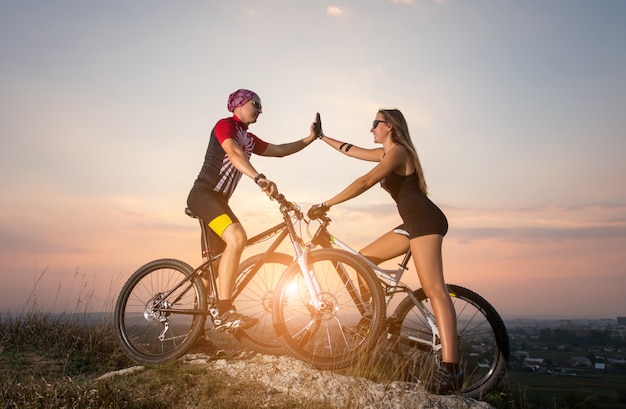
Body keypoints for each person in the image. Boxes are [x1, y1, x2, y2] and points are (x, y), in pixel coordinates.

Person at [308, 109, 462, 394]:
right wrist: (321, 137)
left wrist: (327, 204)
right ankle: (376, 319)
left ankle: (451, 369)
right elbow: (350, 150)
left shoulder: (399, 153)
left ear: (388, 126)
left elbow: (364, 182)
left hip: (425, 221)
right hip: (411, 223)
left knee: (433, 287)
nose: (371, 130)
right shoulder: (386, 153)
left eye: (374, 124)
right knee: (362, 262)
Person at [187, 88, 321, 332]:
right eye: (256, 104)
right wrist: (259, 178)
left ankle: (196, 336)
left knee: (212, 272)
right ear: (239, 104)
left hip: (218, 202)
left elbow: (279, 150)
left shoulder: (248, 137)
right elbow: (234, 153)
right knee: (238, 237)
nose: (260, 110)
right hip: (203, 195)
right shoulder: (225, 125)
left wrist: (310, 138)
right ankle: (225, 310)